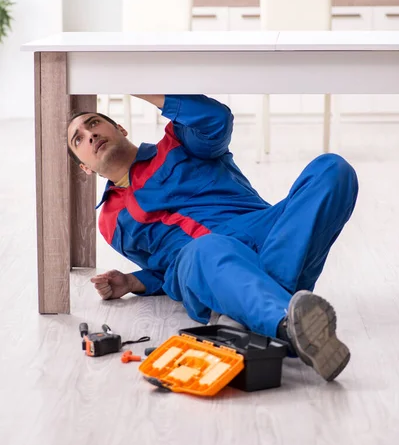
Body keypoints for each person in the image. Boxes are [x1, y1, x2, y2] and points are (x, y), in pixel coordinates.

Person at [67, 94, 358, 381]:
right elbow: (166, 270)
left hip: (268, 234)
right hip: (205, 263)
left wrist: (145, 88)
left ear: (120, 128)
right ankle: (285, 322)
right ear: (84, 167)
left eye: (94, 123)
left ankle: (253, 312)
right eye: (78, 139)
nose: (90, 135)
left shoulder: (180, 142)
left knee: (332, 169)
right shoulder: (111, 222)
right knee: (206, 248)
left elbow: (216, 120)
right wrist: (134, 281)